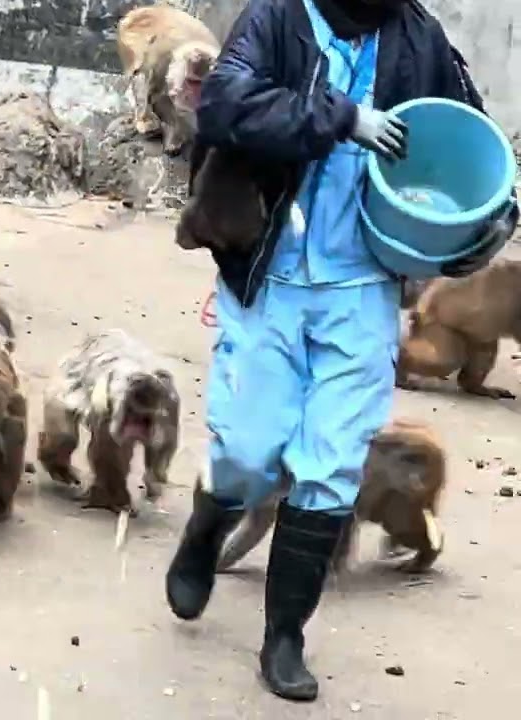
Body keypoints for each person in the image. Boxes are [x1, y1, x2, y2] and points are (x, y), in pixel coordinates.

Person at [164, 0, 518, 703]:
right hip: (270, 271)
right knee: (248, 446)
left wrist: (492, 214)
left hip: (362, 285)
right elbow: (227, 107)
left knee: (331, 464)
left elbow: (468, 133)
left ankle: (285, 634)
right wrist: (338, 118)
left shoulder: (418, 37)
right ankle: (206, 530)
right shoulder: (277, 19)